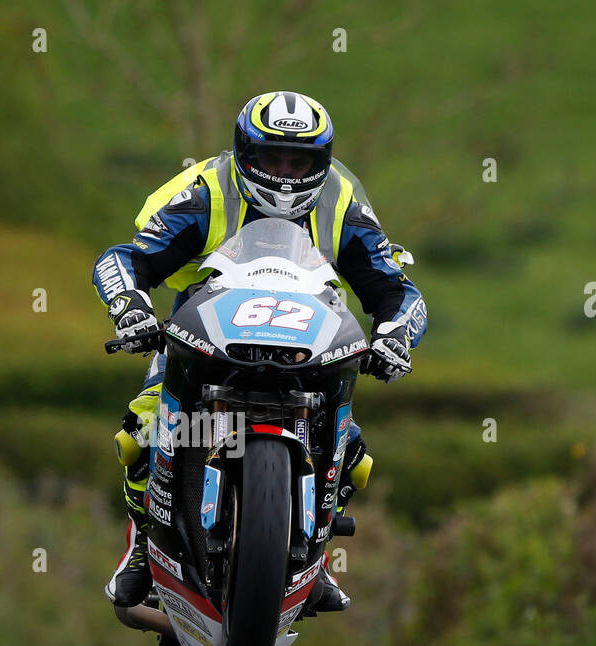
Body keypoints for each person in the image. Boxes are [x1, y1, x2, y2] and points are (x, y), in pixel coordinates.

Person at [93, 91, 426, 610]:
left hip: (307, 344)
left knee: (353, 451)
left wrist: (395, 337)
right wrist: (132, 309)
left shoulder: (341, 201)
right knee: (145, 429)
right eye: (273, 158)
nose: (287, 173)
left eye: (301, 161)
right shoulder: (207, 194)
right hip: (208, 332)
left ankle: (313, 558)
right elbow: (125, 259)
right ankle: (142, 546)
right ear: (245, 152)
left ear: (324, 160)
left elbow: (396, 289)